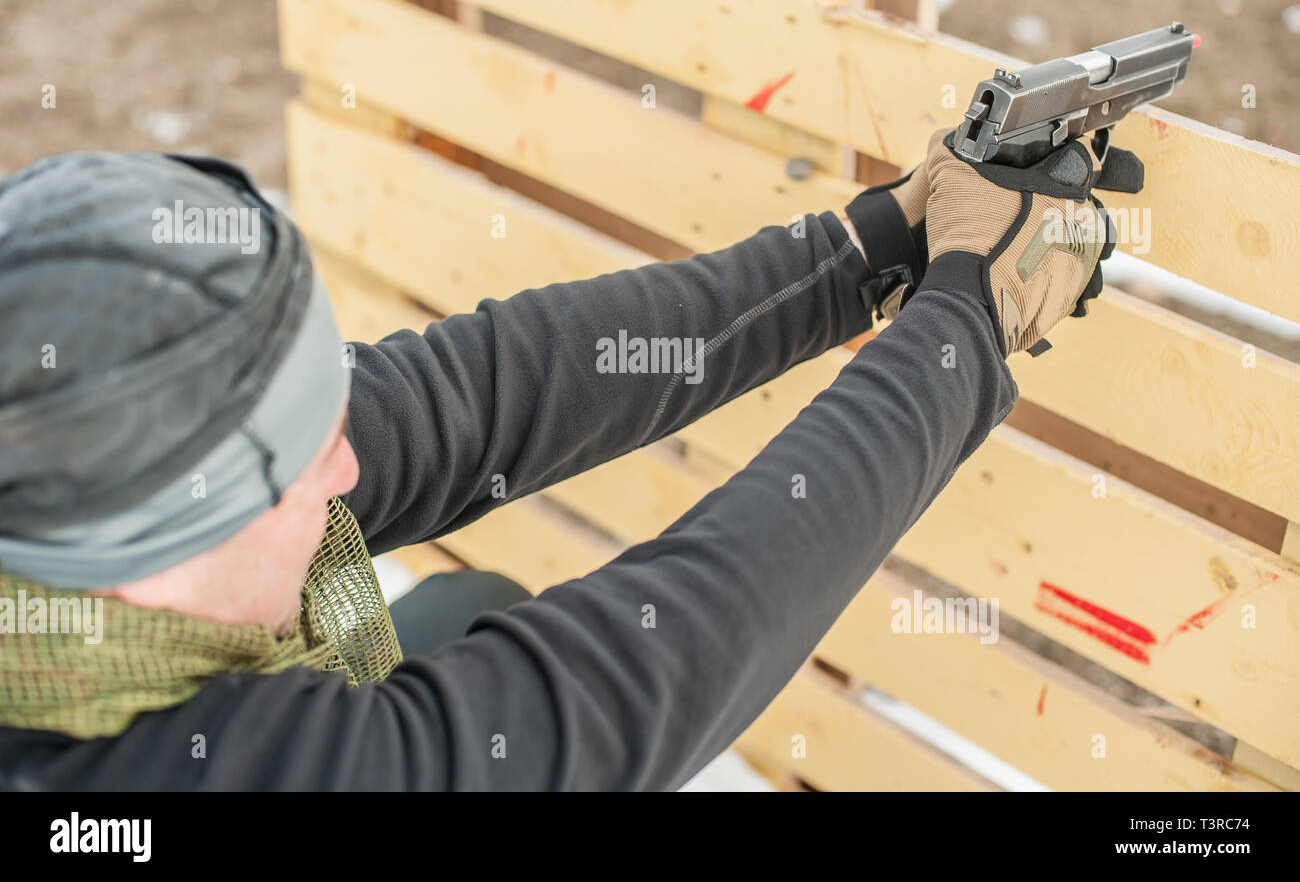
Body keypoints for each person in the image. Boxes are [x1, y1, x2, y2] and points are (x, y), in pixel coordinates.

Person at [0, 129, 1139, 790]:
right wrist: (965, 331)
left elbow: (480, 395)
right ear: (140, 557)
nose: (345, 471)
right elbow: (629, 679)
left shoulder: (64, 496)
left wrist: (865, 252)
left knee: (466, 605)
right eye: (299, 459)